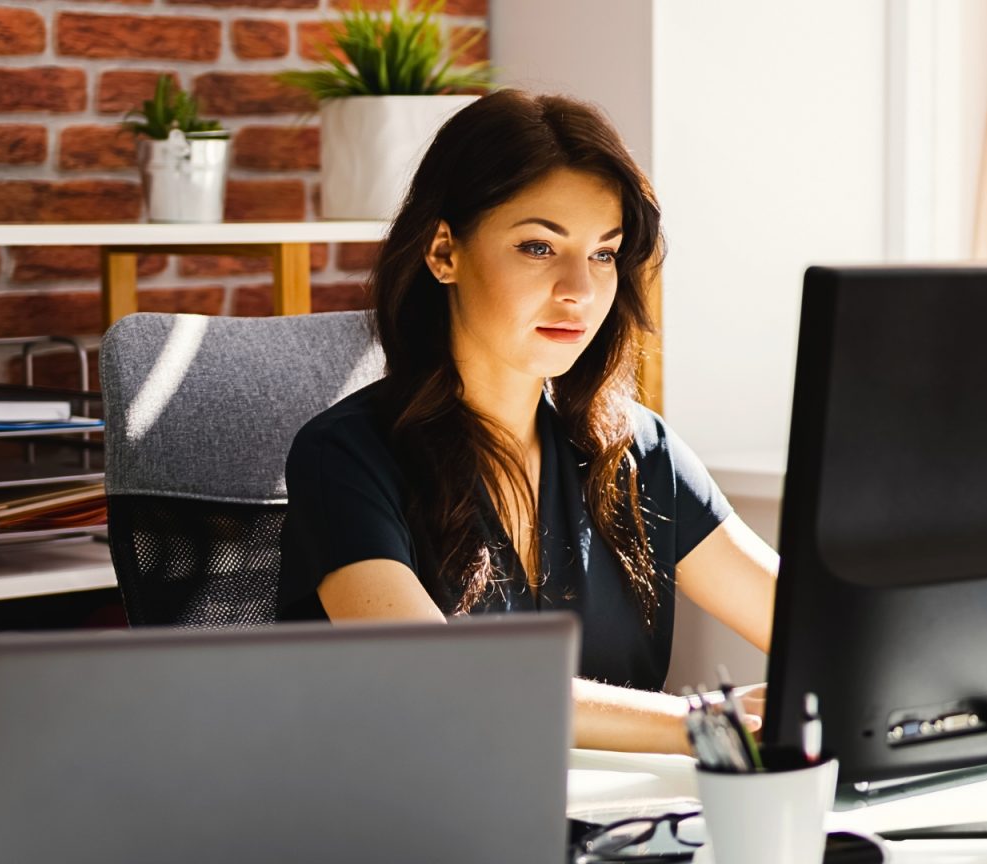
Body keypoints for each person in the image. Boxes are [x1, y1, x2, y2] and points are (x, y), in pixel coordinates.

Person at [276, 90, 780, 754]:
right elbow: (444, 683)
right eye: (539, 247)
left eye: (604, 253)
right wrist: (707, 722)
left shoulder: (639, 450)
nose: (580, 289)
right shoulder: (344, 457)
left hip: (623, 829)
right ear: (444, 253)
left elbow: (822, 629)